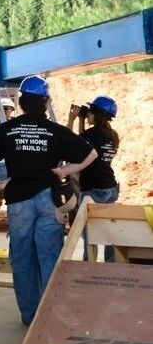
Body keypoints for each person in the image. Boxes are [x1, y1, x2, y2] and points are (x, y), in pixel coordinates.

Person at [0, 75, 97, 325]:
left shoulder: (7, 129)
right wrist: (65, 171)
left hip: (18, 201)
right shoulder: (54, 130)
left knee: (21, 259)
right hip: (48, 201)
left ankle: (29, 316)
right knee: (49, 258)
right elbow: (91, 154)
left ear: (20, 102)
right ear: (45, 102)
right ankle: (48, 315)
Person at [71, 95, 120, 262]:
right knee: (108, 230)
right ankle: (110, 265)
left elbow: (75, 146)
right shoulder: (113, 134)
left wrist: (73, 119)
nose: (88, 115)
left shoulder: (92, 134)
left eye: (90, 112)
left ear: (97, 114)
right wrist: (82, 121)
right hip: (110, 188)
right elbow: (84, 142)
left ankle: (89, 266)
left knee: (88, 232)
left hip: (93, 189)